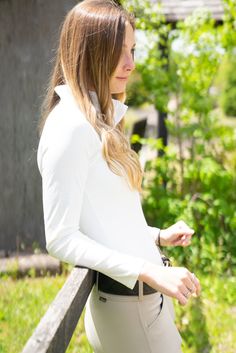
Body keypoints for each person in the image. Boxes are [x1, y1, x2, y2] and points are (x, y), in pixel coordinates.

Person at [37, 1, 201, 352]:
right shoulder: (70, 127)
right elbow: (61, 238)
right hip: (131, 314)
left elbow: (103, 221)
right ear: (89, 52)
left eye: (132, 49)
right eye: (119, 51)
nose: (131, 63)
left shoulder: (94, 121)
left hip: (141, 307)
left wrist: (157, 235)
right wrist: (148, 270)